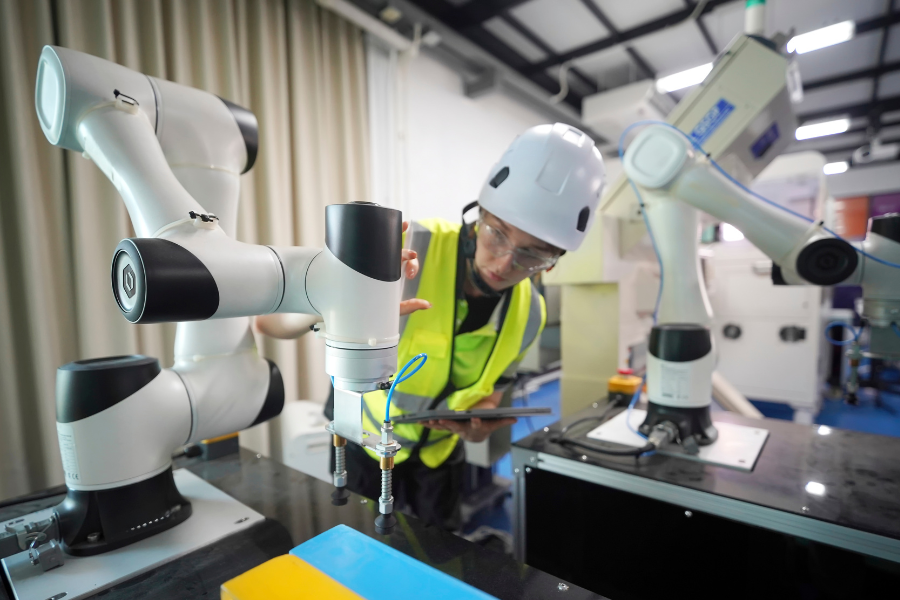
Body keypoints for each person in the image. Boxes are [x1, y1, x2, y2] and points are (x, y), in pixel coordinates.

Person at [256, 123, 605, 528]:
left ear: (554, 259)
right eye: (497, 235)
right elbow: (270, 323)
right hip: (363, 447)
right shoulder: (408, 249)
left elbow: (490, 396)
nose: (505, 263)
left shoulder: (530, 314)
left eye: (532, 256)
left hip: (439, 463)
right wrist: (343, 300)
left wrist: (478, 427)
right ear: (479, 216)